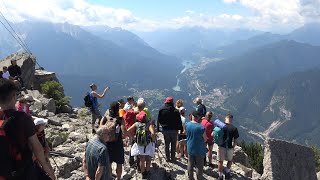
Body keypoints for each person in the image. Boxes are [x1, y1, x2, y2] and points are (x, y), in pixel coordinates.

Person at [0, 79, 55, 180]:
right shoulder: (23, 118)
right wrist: (47, 168)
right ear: (13, 96)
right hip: (23, 169)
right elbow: (36, 146)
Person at [100, 101, 127, 180]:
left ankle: (110, 177)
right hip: (118, 144)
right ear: (118, 109)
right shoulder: (120, 120)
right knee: (119, 164)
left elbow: (100, 130)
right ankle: (118, 178)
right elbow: (124, 134)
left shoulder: (105, 118)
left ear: (110, 109)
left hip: (107, 144)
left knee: (109, 163)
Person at [127, 111, 156, 179]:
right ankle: (148, 172)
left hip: (139, 144)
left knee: (141, 159)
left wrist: (132, 137)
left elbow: (127, 130)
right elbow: (153, 133)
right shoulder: (149, 124)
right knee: (148, 159)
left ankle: (143, 173)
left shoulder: (136, 124)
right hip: (148, 144)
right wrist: (154, 140)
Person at [157, 97, 183, 162]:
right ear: (172, 103)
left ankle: (167, 158)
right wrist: (180, 129)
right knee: (173, 145)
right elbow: (179, 122)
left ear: (166, 102)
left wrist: (159, 128)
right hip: (174, 130)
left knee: (167, 144)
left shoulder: (161, 110)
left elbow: (159, 120)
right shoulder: (176, 111)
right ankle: (173, 158)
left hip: (165, 130)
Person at [186, 111, 207, 180]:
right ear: (198, 117)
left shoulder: (187, 124)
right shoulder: (201, 128)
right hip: (199, 149)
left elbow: (187, 134)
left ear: (192, 116)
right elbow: (205, 139)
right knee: (199, 166)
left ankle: (190, 177)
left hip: (190, 147)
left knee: (190, 163)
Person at [217, 114, 239, 180]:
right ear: (231, 119)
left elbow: (214, 134)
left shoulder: (220, 126)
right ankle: (227, 172)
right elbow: (235, 140)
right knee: (229, 160)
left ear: (225, 118)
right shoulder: (234, 128)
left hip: (221, 146)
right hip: (229, 147)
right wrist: (233, 146)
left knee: (220, 161)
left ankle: (220, 176)